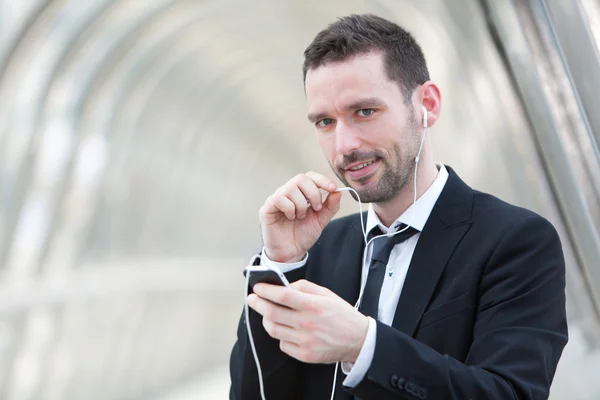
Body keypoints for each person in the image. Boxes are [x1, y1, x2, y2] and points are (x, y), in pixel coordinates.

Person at [229, 13, 568, 400]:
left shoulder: (515, 241)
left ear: (427, 104)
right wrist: (280, 262)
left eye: (365, 112)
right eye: (325, 121)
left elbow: (509, 393)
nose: (344, 146)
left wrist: (365, 347)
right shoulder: (318, 250)